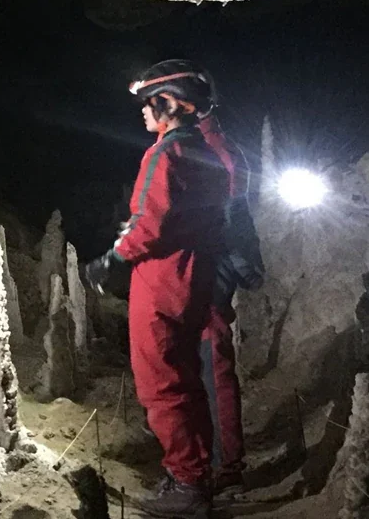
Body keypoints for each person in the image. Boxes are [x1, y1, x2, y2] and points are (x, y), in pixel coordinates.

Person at [85, 59, 230, 517]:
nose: (143, 113)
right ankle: (196, 474)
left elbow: (151, 222)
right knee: (187, 380)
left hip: (162, 281)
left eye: (149, 104)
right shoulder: (204, 152)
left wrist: (110, 260)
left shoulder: (165, 153)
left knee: (161, 384)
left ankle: (186, 486)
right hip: (194, 276)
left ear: (168, 102)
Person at [194, 67, 264, 495]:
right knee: (200, 367)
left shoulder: (212, 146)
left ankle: (226, 466)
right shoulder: (208, 142)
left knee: (211, 367)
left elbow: (229, 213)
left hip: (209, 267)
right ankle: (209, 461)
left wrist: (236, 262)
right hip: (206, 263)